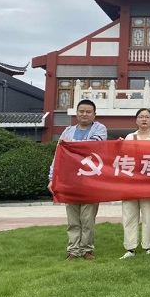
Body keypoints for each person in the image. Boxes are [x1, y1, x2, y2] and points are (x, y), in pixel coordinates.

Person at [48, 99, 107, 261]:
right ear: (76, 113)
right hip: (70, 181)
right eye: (81, 111)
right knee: (73, 219)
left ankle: (87, 249)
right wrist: (52, 178)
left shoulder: (99, 129)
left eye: (88, 112)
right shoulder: (67, 132)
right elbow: (58, 155)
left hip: (91, 181)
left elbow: (92, 146)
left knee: (87, 219)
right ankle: (73, 250)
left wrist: (71, 144)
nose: (84, 114)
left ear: (94, 114)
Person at [118, 108, 150, 259]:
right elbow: (122, 158)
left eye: (147, 117)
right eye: (141, 117)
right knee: (129, 215)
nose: (144, 119)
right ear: (136, 120)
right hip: (130, 183)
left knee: (149, 215)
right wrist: (119, 145)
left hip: (149, 183)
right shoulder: (129, 137)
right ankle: (130, 247)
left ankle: (149, 246)